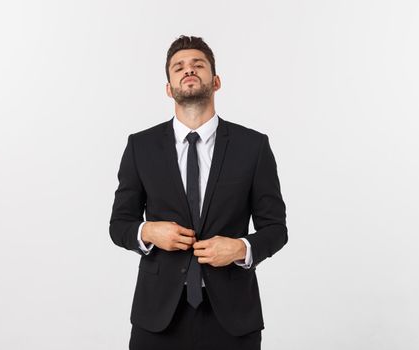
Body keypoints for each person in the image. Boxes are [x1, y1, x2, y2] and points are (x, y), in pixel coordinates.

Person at [109, 35, 288, 350]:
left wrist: (240, 248)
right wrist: (148, 230)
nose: (188, 70)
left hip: (232, 318)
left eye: (198, 65)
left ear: (216, 81)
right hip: (157, 316)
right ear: (169, 88)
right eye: (178, 67)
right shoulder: (141, 146)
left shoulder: (253, 147)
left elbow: (275, 229)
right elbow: (120, 224)